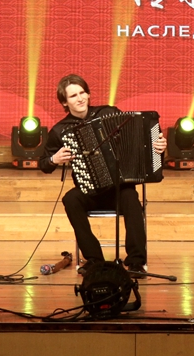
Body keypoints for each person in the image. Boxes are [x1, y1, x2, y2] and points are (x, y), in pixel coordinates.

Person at [39, 74, 166, 274]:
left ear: (88, 94)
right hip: (89, 191)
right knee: (71, 199)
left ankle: (136, 262)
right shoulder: (60, 131)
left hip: (119, 189)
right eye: (73, 96)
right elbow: (44, 164)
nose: (80, 98)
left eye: (82, 93)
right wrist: (54, 159)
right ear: (64, 102)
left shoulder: (109, 113)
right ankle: (94, 260)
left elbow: (138, 139)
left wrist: (157, 146)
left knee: (131, 197)